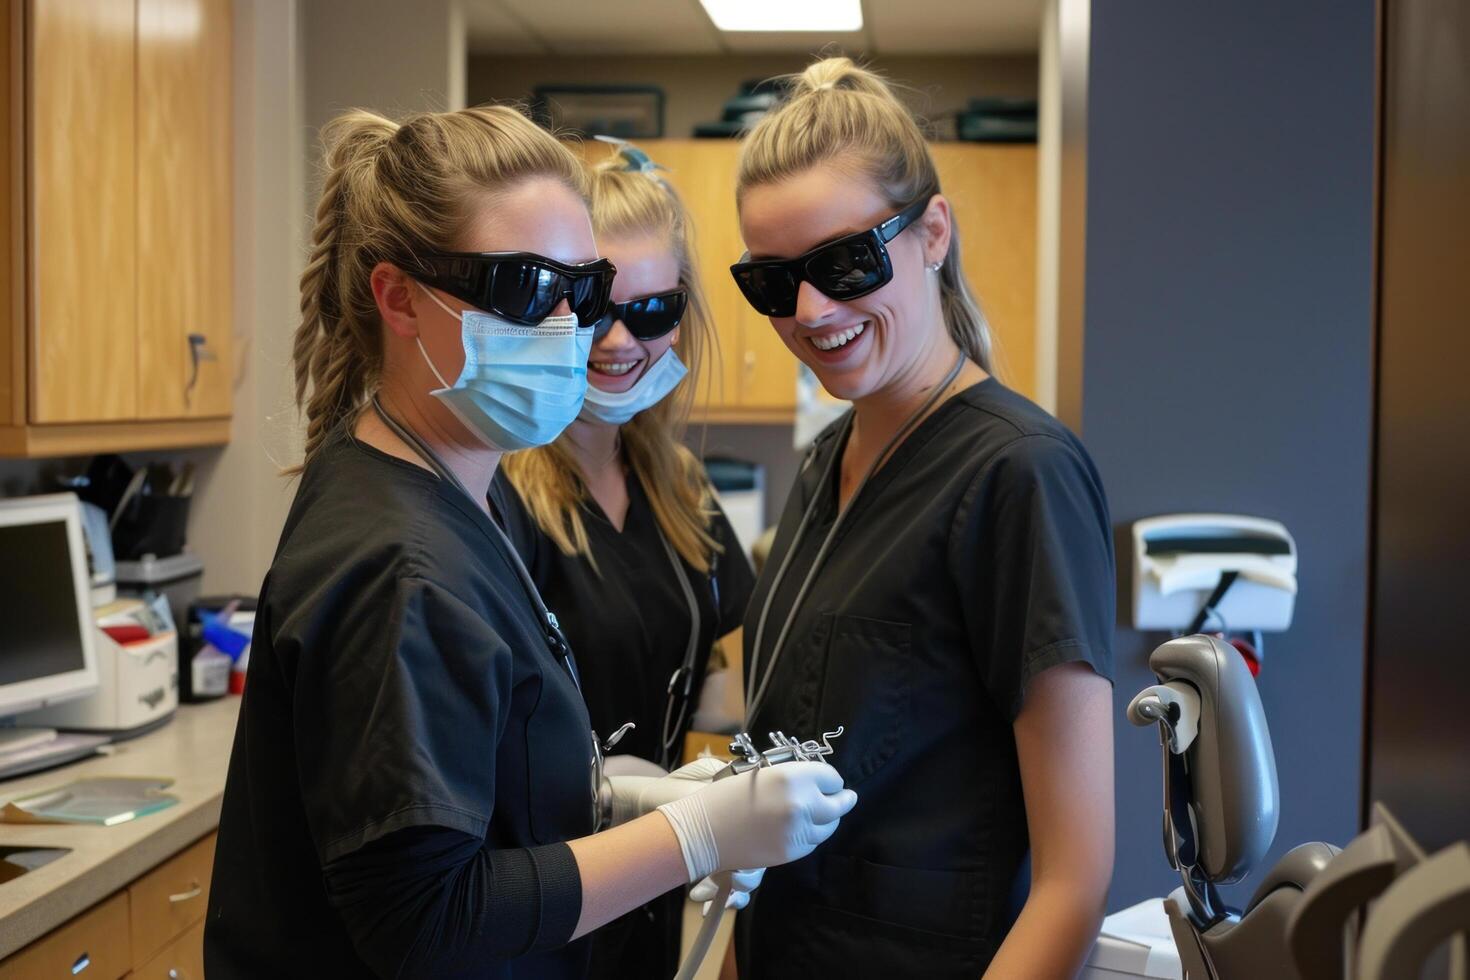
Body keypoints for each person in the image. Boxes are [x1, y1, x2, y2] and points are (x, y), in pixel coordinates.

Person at [203, 105, 855, 979]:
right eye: (524, 288)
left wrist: (616, 796)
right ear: (397, 296)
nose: (573, 330)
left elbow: (474, 786)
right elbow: (429, 920)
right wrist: (692, 834)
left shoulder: (438, 499)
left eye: (581, 290)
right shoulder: (400, 564)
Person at [728, 57, 1116, 978]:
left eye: (845, 263)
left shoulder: (1019, 474)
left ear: (931, 231)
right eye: (774, 283)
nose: (812, 311)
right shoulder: (828, 462)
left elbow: (1075, 878)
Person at [492, 140, 756, 979]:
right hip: (531, 897)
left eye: (651, 311)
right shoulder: (495, 489)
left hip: (647, 885)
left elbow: (733, 655)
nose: (619, 341)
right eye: (597, 306)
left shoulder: (674, 484)